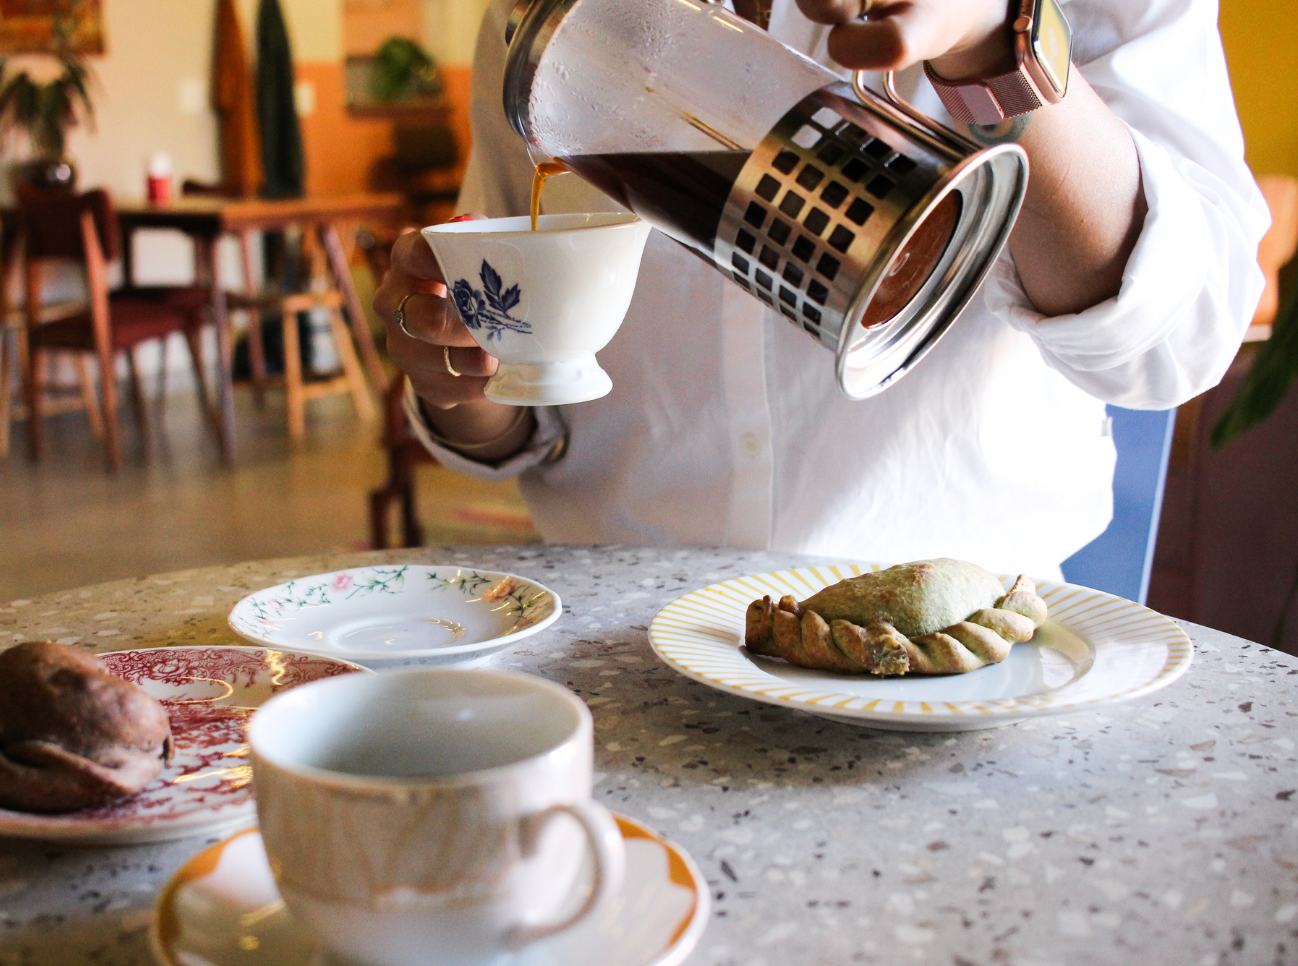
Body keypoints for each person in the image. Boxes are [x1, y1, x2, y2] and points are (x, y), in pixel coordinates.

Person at [374, 0, 1268, 577]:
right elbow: (526, 387)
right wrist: (459, 383)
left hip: (961, 651)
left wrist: (995, 45)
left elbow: (1179, 340)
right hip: (621, 639)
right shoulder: (547, 23)